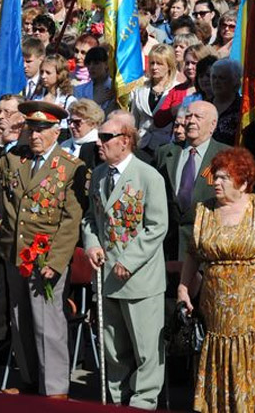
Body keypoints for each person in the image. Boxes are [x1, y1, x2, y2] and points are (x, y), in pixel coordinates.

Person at [0, 101, 87, 398]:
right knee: (20, 321)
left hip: (45, 257)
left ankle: (55, 388)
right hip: (13, 253)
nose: (35, 136)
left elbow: (71, 221)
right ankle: (31, 379)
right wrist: (1, 139)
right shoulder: (15, 158)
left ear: (56, 132)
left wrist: (58, 261)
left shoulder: (70, 167)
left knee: (49, 324)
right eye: (31, 129)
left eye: (42, 130)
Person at [178, 147, 255, 412]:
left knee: (250, 354)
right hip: (215, 306)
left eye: (224, 177)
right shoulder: (204, 210)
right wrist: (183, 287)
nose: (216, 182)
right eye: (216, 176)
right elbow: (193, 253)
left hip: (251, 305)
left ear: (244, 182)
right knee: (219, 353)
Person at [82, 111, 168, 409]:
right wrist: (92, 245)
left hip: (139, 279)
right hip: (106, 277)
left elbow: (157, 226)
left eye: (105, 137)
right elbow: (92, 219)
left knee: (146, 348)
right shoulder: (100, 174)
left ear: (126, 141)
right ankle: (117, 397)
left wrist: (129, 260)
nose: (98, 143)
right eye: (99, 137)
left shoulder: (148, 176)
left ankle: (143, 401)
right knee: (113, 349)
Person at [154, 101, 230, 260]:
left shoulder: (226, 155)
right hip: (168, 250)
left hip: (206, 250)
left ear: (213, 124)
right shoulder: (165, 153)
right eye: (188, 116)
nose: (191, 121)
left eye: (198, 117)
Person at [130, 44, 179, 159]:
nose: (154, 67)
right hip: (141, 145)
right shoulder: (140, 88)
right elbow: (134, 120)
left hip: (165, 147)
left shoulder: (176, 89)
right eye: (152, 63)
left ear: (169, 65)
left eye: (159, 63)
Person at [209, 59, 242, 145]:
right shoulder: (204, 106)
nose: (216, 82)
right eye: (214, 77)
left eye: (221, 78)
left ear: (234, 81)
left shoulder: (243, 108)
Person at [74, 46, 116, 114]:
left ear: (106, 64)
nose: (91, 67)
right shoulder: (79, 90)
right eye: (88, 64)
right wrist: (95, 101)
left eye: (96, 63)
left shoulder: (115, 88)